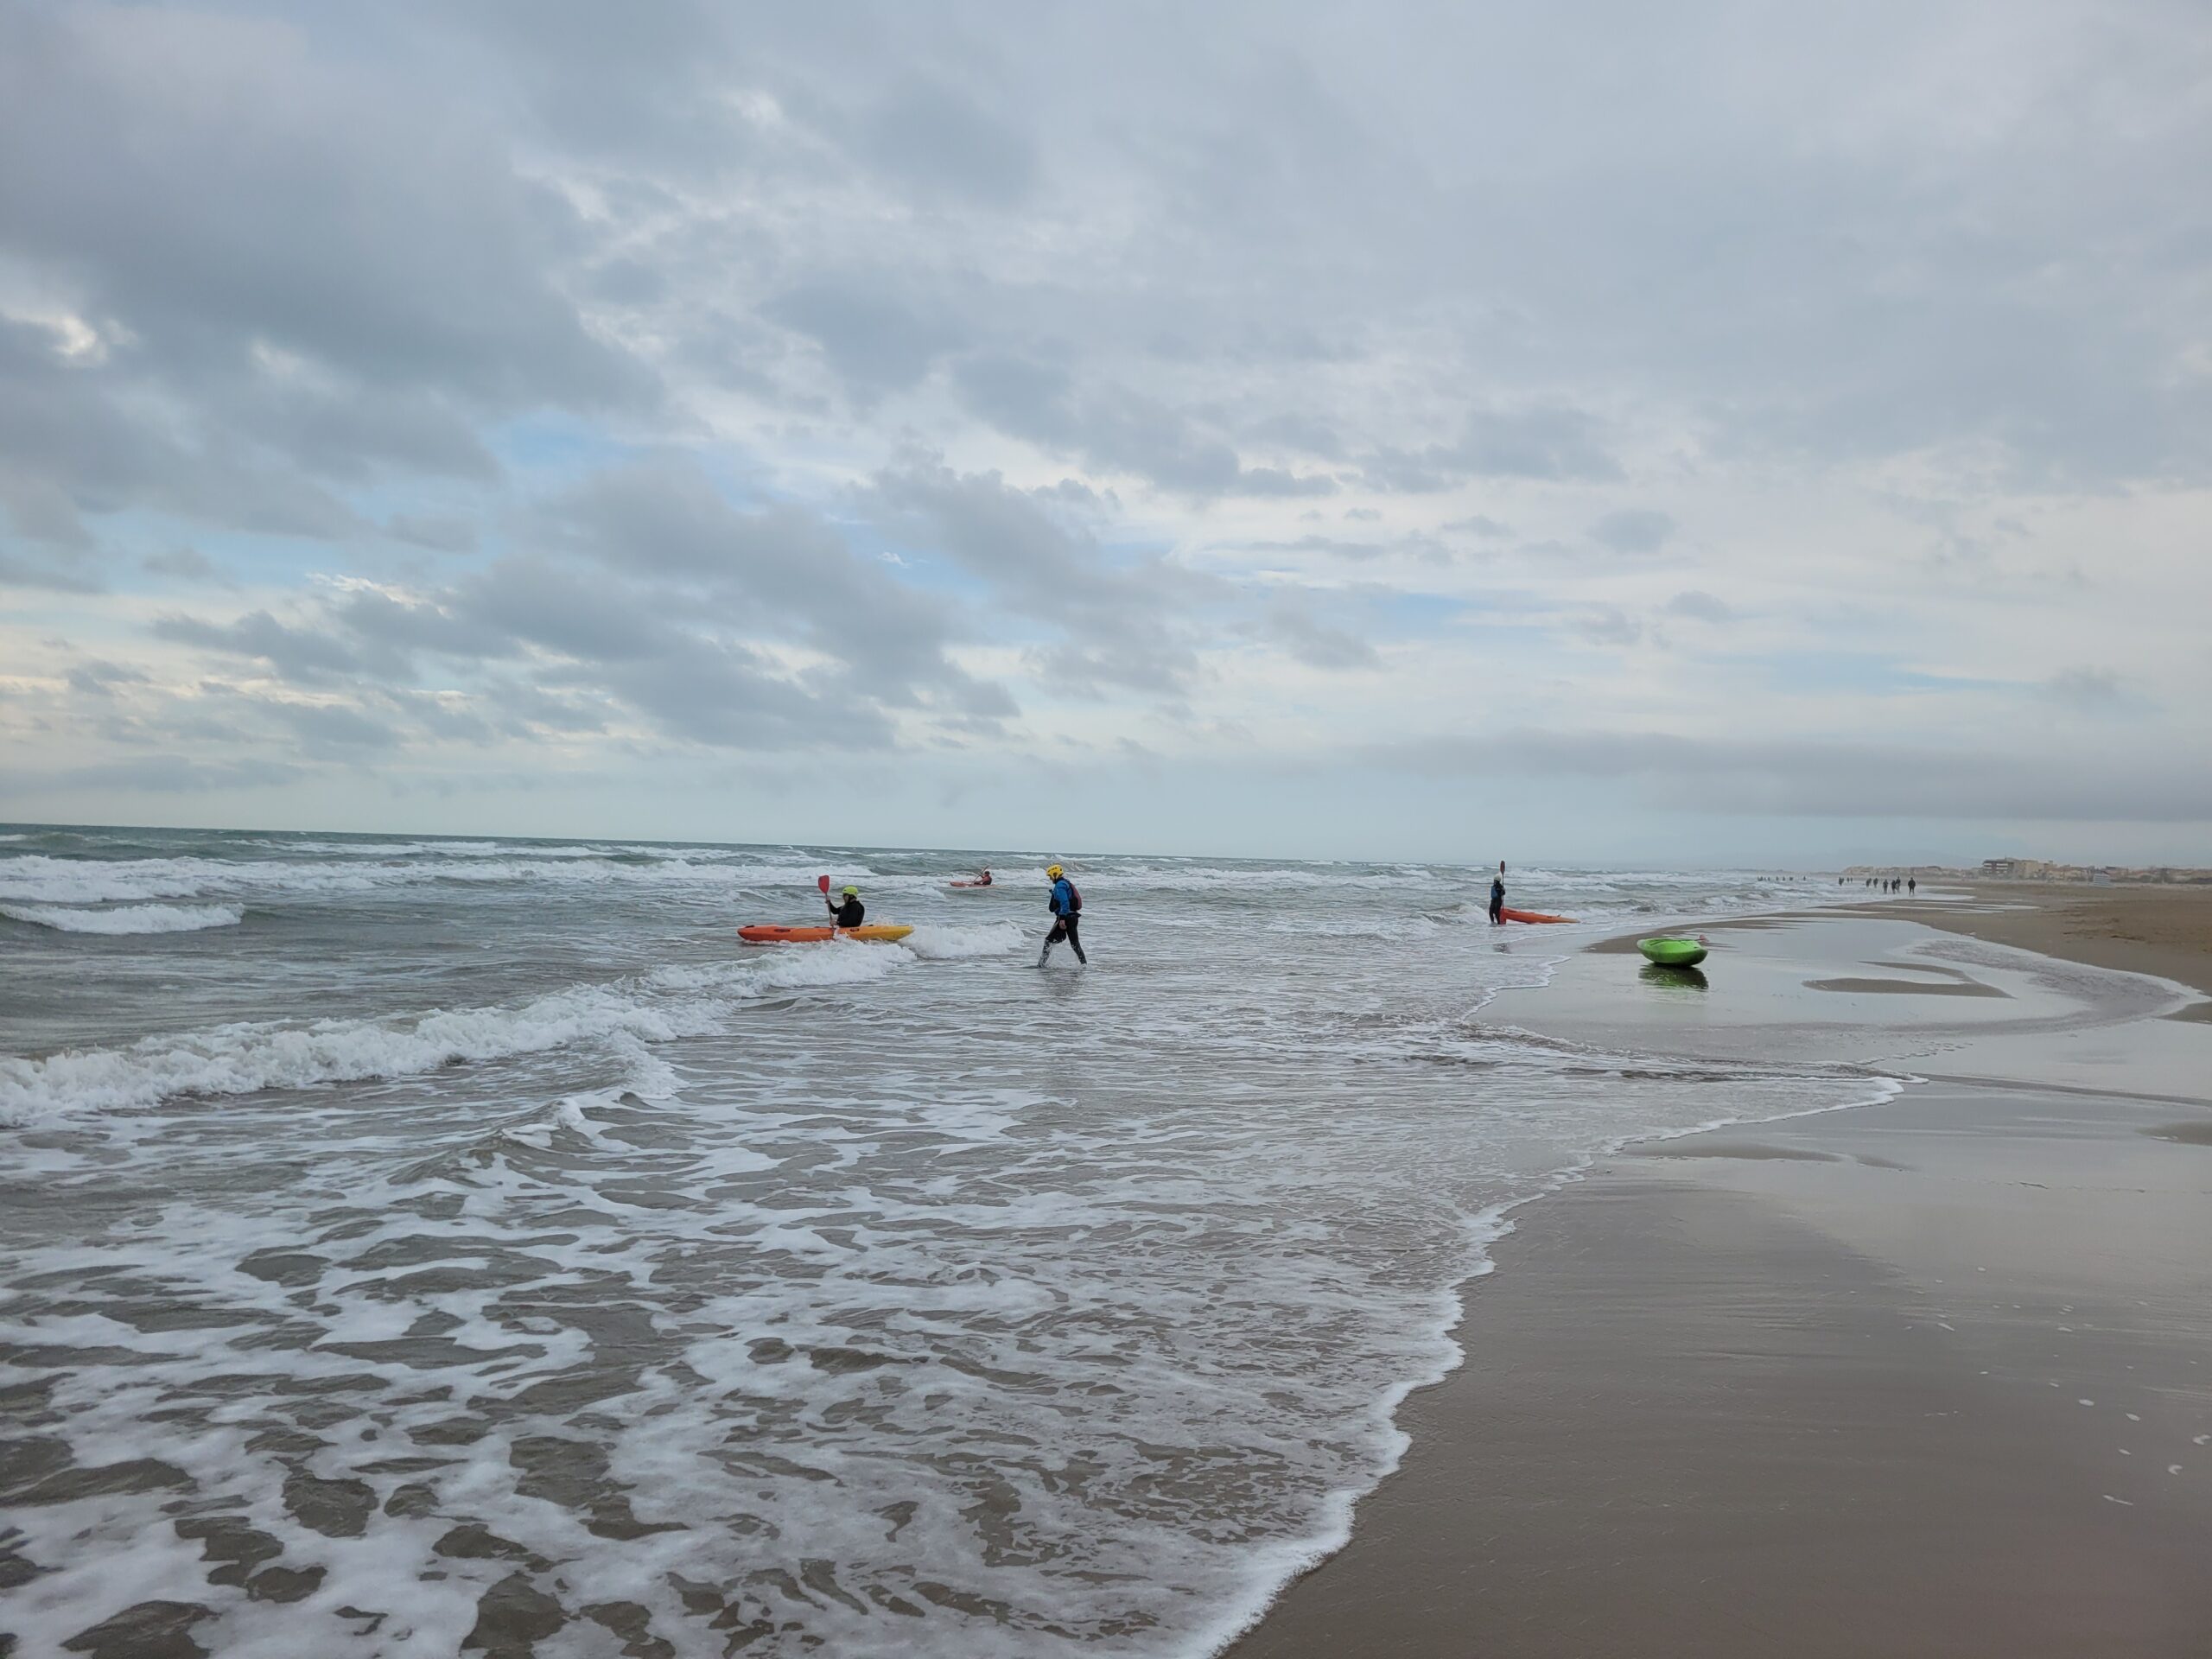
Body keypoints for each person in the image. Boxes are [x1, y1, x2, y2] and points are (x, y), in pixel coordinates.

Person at [1039, 864, 1086, 967]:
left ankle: (1041, 965)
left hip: (1066, 917)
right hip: (1073, 917)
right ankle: (1084, 965)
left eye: (1050, 876)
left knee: (1048, 941)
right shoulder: (1066, 883)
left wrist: (1062, 919)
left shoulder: (1060, 885)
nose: (1050, 878)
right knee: (1075, 944)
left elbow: (1065, 902)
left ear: (1055, 874)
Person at [1489, 861, 1506, 925]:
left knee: (1496, 913)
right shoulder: (1494, 886)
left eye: (1495, 880)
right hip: (1493, 900)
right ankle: (1492, 922)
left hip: (1498, 901)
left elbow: (1504, 893)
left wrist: (1502, 891)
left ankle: (1499, 923)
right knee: (1491, 912)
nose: (1494, 881)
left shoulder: (1500, 886)